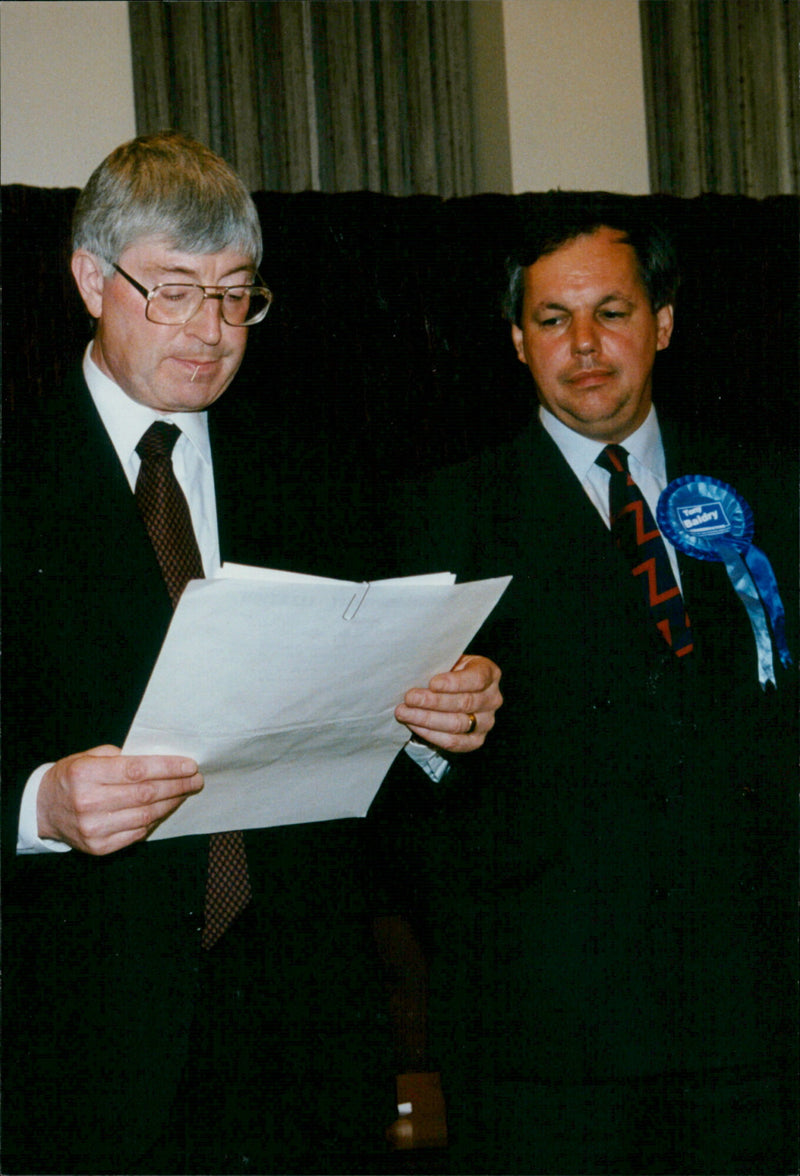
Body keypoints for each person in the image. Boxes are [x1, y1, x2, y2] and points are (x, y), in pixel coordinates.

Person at [0, 131, 503, 1176]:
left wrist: (436, 729)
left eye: (236, 296)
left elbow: (380, 770)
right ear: (91, 279)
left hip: (303, 1046)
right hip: (80, 1054)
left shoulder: (312, 472)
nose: (210, 330)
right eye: (175, 291)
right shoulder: (11, 480)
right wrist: (38, 807)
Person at [400, 192, 798, 1174]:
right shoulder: (437, 516)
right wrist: (432, 730)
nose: (582, 343)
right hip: (545, 1033)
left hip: (749, 1017)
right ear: (514, 339)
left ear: (660, 323)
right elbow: (404, 785)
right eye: (550, 318)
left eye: (610, 312)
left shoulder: (771, 490)